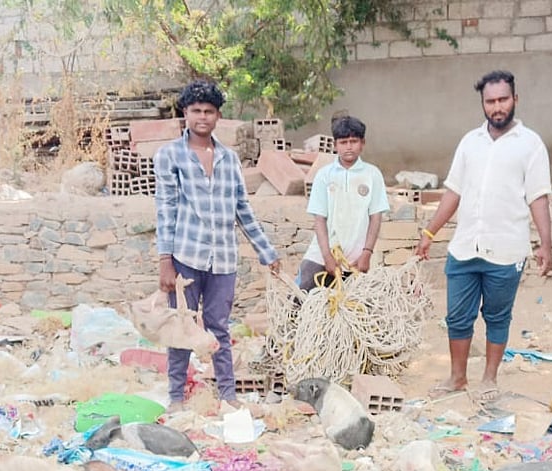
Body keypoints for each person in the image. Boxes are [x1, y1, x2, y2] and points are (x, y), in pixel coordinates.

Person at [415, 70, 552, 403]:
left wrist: (545, 244)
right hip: (464, 247)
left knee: (497, 316)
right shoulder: (470, 142)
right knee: (457, 316)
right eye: (490, 101)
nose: (497, 107)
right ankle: (457, 377)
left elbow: (538, 197)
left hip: (507, 250)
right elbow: (453, 192)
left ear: (515, 99)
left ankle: (489, 379)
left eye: (503, 99)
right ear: (482, 103)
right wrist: (429, 231)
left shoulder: (531, 144)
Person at [154, 80, 281, 411]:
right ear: (185, 113)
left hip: (223, 259)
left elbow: (243, 210)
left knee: (219, 328)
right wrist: (165, 260)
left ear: (218, 116)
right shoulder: (170, 155)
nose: (202, 117)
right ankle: (176, 397)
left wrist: (266, 252)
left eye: (209, 111)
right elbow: (166, 210)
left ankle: (228, 395)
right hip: (185, 256)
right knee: (181, 328)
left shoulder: (229, 158)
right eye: (196, 111)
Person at [296, 116, 390, 290]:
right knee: (301, 293)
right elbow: (319, 219)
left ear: (362, 143)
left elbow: (376, 217)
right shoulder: (324, 175)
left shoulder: (372, 174)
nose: (348, 147)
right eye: (343, 142)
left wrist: (367, 252)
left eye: (353, 141)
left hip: (358, 256)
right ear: (335, 145)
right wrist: (327, 256)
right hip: (322, 253)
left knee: (363, 300)